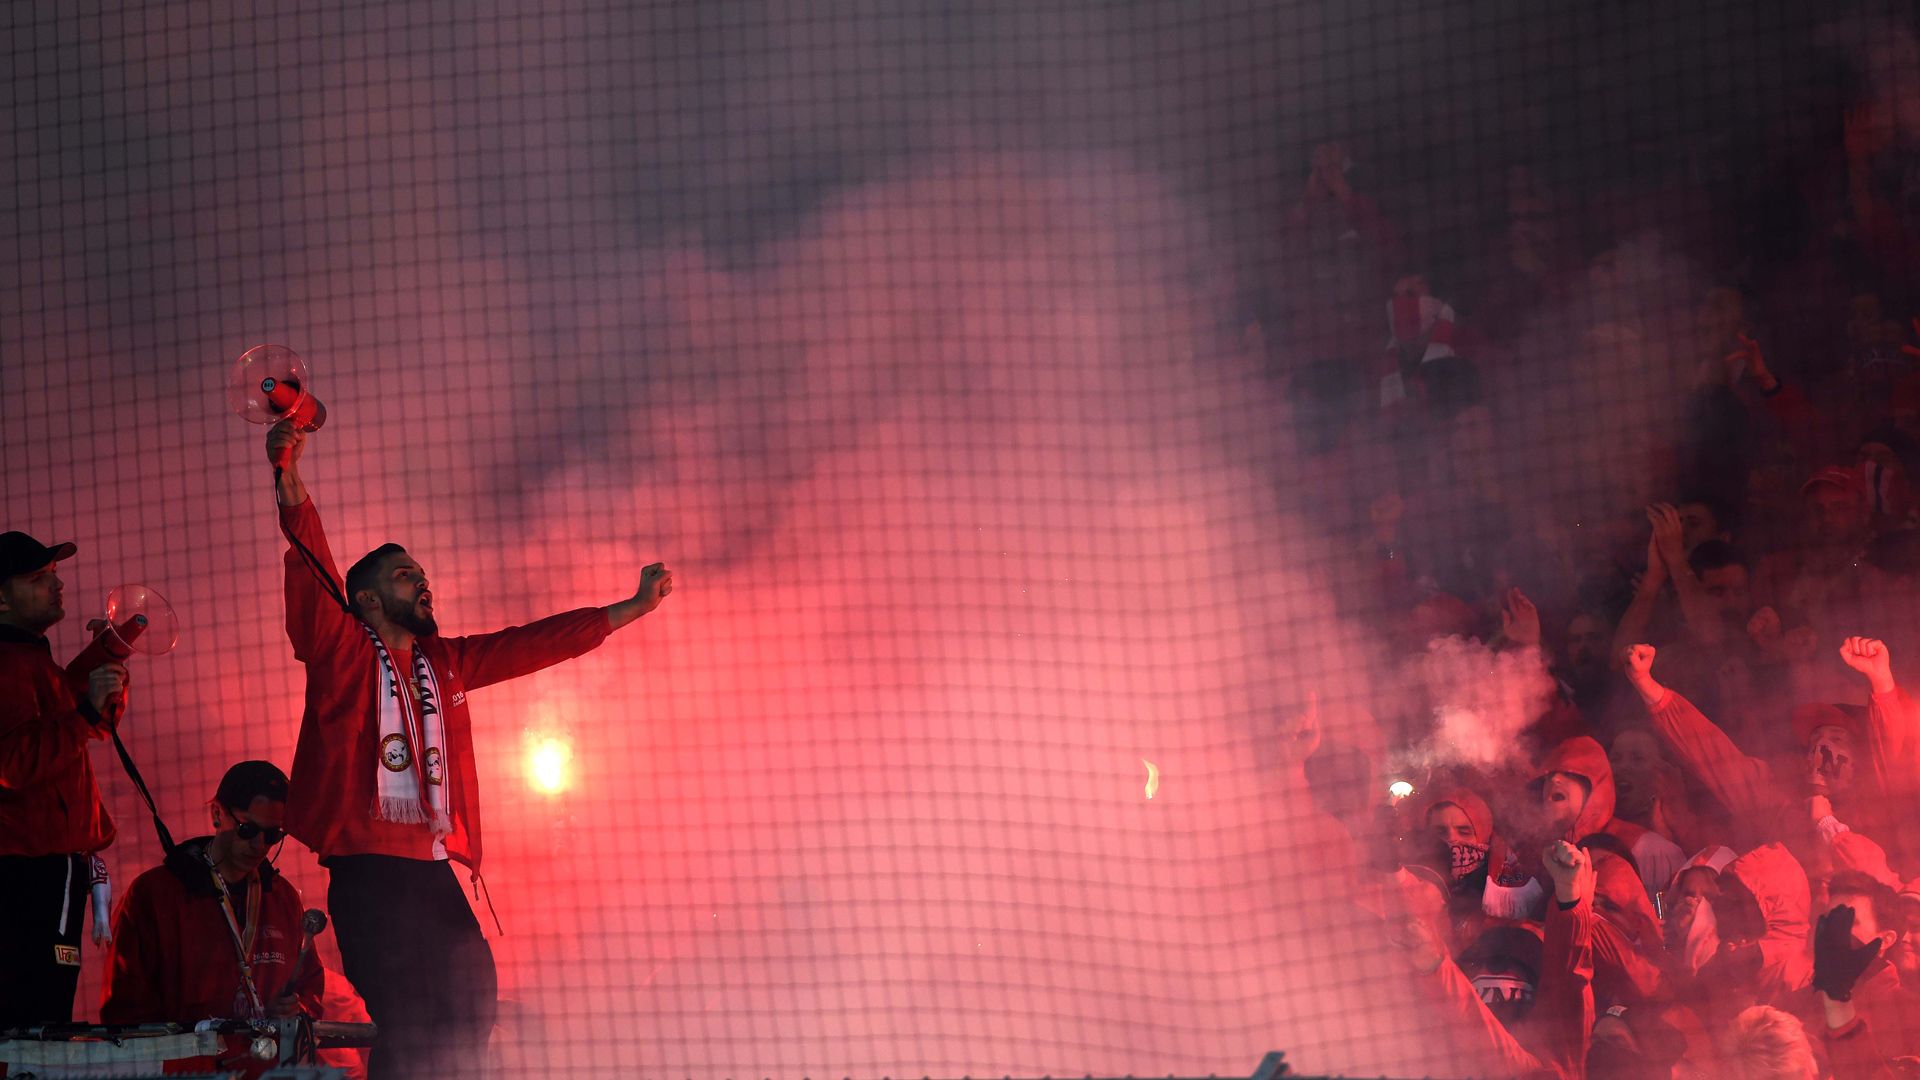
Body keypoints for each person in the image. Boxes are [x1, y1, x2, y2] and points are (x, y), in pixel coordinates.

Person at [265, 421, 673, 1079]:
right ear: (366, 599)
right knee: (409, 1017)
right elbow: (313, 570)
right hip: (368, 872)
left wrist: (627, 609)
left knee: (472, 1000)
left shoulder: (445, 663)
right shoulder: (339, 651)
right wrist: (288, 480)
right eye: (404, 577)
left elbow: (529, 644)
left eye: (422, 575)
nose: (422, 584)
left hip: (431, 868)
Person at [0, 530, 131, 1027]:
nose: (56, 586)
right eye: (37, 578)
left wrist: (110, 655)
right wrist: (85, 709)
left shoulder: (29, 658)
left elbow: (77, 718)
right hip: (29, 869)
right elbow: (13, 762)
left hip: (40, 866)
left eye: (53, 574)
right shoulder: (8, 664)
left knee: (33, 1016)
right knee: (35, 1019)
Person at [100, 761, 322, 1024]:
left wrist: (297, 1010)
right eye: (247, 830)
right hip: (189, 1064)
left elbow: (310, 986)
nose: (260, 845)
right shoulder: (154, 896)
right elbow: (125, 1007)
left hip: (266, 1063)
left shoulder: (282, 897)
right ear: (217, 813)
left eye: (273, 835)